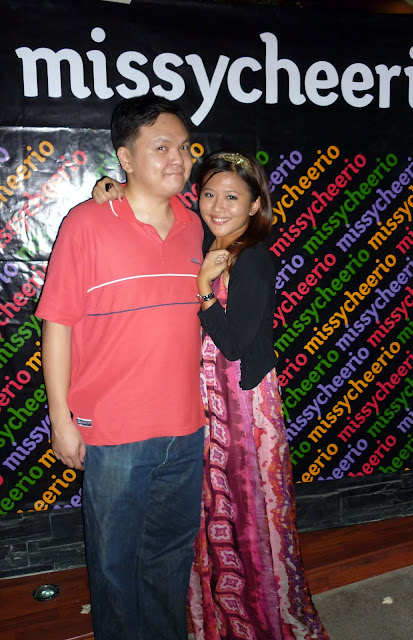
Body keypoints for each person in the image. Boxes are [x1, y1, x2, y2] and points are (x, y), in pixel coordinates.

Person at [95, 150, 330, 639]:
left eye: (232, 197)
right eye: (208, 194)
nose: (218, 206)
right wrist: (112, 189)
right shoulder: (203, 238)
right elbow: (158, 209)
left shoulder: (252, 258)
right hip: (201, 399)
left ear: (255, 205)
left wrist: (204, 288)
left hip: (242, 406)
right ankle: (214, 617)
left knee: (245, 511)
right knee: (207, 512)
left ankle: (256, 618)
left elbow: (236, 344)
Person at [37, 95, 206, 640]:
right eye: (161, 147)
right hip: (113, 434)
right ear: (126, 158)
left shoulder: (197, 225)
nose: (178, 158)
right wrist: (61, 420)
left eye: (184, 147)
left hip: (186, 430)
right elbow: (57, 325)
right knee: (114, 568)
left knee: (169, 560)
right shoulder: (86, 224)